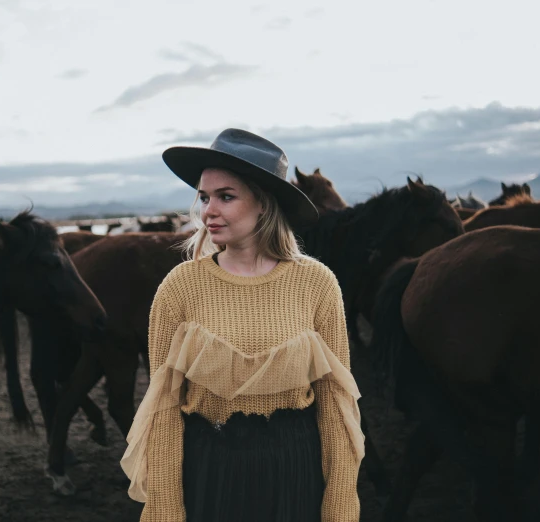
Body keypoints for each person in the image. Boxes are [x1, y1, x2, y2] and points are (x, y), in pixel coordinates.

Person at [121, 128, 364, 522]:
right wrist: (165, 508)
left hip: (295, 472)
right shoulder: (180, 287)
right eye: (203, 197)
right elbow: (163, 408)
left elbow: (336, 405)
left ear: (264, 205)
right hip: (209, 471)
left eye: (225, 196)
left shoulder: (317, 284)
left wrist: (339, 505)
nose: (207, 211)